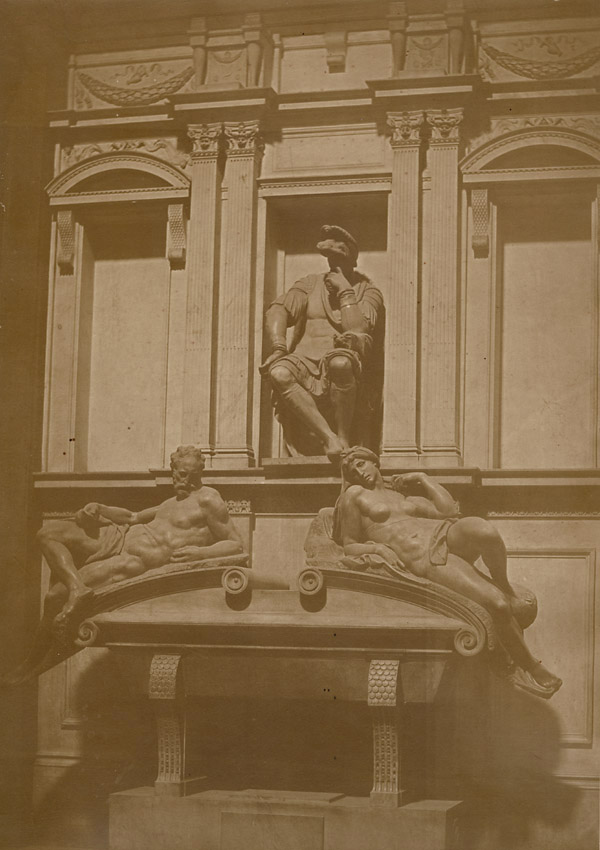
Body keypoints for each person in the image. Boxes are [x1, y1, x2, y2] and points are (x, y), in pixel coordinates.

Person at [3, 446, 245, 684]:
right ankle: (77, 588)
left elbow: (235, 545)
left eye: (186, 474)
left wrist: (201, 553)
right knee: (47, 533)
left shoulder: (209, 499)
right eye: (177, 472)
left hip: (132, 561)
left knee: (55, 597)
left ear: (197, 474)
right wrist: (101, 509)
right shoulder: (170, 502)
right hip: (118, 538)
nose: (180, 479)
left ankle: (30, 665)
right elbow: (132, 517)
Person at [334, 446, 562, 698]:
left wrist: (423, 477)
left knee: (484, 531)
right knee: (496, 604)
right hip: (425, 557)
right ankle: (530, 667)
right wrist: (378, 549)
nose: (358, 471)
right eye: (351, 469)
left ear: (374, 462)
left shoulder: (401, 496)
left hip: (442, 535)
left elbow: (448, 511)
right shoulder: (353, 496)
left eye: (361, 463)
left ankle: (505, 584)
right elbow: (349, 544)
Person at [260, 225, 384, 461]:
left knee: (340, 363)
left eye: (339, 258)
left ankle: (344, 437)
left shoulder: (367, 290)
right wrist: (279, 346)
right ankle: (329, 438)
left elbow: (357, 328)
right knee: (279, 373)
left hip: (341, 357)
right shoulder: (309, 284)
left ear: (352, 260)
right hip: (304, 357)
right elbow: (278, 309)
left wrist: (345, 292)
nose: (333, 265)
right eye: (330, 259)